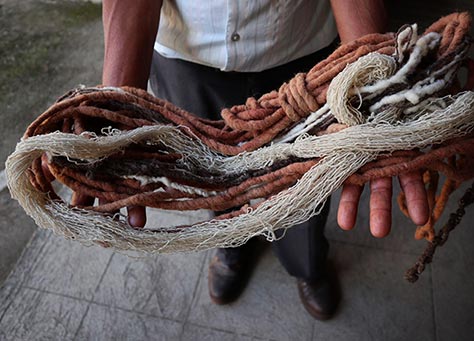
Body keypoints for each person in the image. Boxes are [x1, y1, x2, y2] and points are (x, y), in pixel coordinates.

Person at [97, 0, 429, 320]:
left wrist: (375, 86)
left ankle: (307, 265)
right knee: (211, 175)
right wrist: (117, 104)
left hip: (302, 55)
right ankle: (233, 244)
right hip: (187, 57)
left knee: (306, 183)